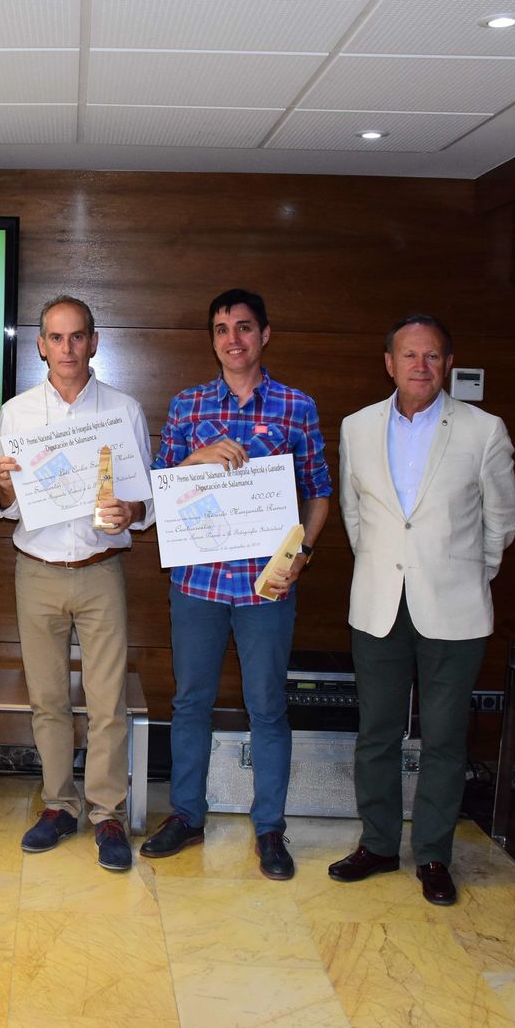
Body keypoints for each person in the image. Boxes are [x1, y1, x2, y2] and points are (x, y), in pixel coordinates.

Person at [327, 315, 515, 906]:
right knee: (377, 734)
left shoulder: (483, 431)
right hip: (379, 605)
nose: (420, 366)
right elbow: (354, 514)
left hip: (455, 608)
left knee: (443, 739)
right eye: (409, 356)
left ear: (447, 365)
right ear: (389, 363)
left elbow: (502, 519)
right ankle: (380, 844)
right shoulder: (357, 427)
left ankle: (434, 854)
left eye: (432, 357)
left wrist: (470, 570)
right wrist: (388, 566)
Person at [141, 288, 331, 880]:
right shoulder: (188, 404)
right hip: (197, 582)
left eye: (244, 328)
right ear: (212, 340)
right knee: (190, 702)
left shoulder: (297, 407)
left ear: (264, 335)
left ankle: (270, 830)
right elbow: (159, 485)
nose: (233, 339)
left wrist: (302, 553)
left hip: (266, 587)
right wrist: (197, 458)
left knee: (268, 708)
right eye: (222, 329)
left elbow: (319, 491)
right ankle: (187, 816)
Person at [0, 296, 152, 871]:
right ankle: (59, 805)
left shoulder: (123, 411)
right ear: (40, 345)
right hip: (35, 572)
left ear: (93, 341)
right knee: (48, 700)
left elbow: (146, 502)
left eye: (77, 337)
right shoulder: (16, 414)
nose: (67, 349)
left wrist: (128, 512)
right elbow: (3, 506)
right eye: (55, 338)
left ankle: (107, 813)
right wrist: (4, 486)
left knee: (107, 703)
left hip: (100, 571)